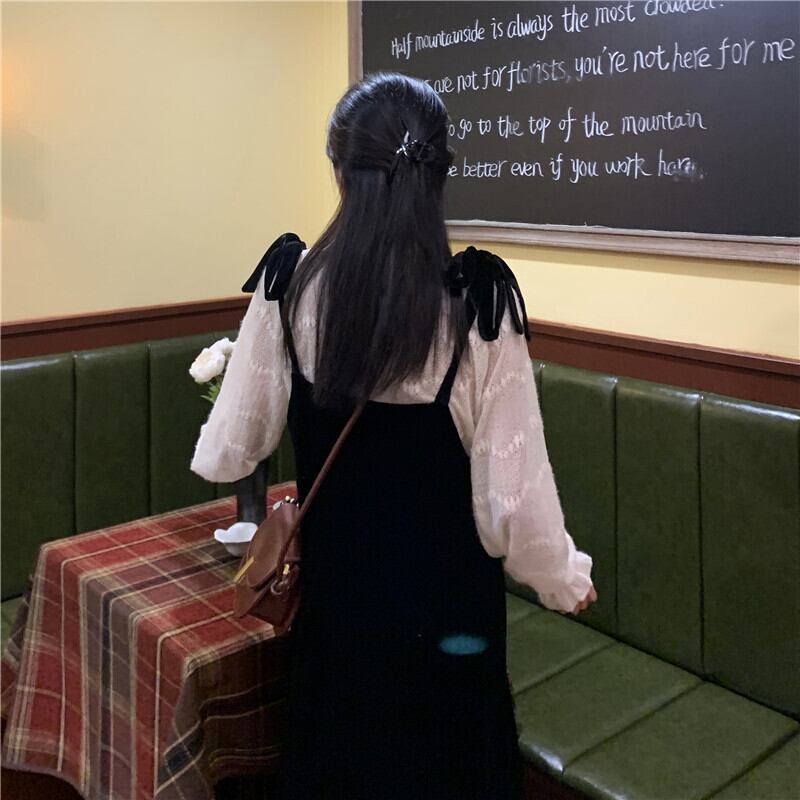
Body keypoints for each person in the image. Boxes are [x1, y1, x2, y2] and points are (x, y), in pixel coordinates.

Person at [190, 70, 596, 800]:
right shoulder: (477, 306)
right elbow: (513, 501)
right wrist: (564, 580)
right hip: (449, 623)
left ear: (339, 171)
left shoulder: (289, 287)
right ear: (439, 177)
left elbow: (231, 449)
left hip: (340, 612)